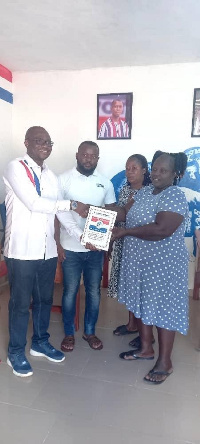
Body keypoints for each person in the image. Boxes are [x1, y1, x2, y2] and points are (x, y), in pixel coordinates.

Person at [3, 126, 89, 377]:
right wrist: (73, 204)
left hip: (47, 250)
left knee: (43, 300)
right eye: (39, 141)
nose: (45, 145)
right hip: (21, 250)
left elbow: (60, 212)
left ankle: (40, 342)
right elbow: (34, 203)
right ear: (27, 142)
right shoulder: (15, 167)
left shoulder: (50, 175)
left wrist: (81, 236)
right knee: (20, 304)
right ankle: (16, 351)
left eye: (48, 142)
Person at [111, 152, 188, 384]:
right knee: (142, 303)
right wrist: (95, 212)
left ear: (176, 174)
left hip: (164, 266)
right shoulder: (143, 191)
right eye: (154, 168)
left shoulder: (174, 195)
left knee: (163, 310)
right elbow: (123, 213)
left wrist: (125, 232)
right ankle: (146, 349)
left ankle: (165, 362)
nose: (156, 173)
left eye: (163, 170)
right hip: (139, 262)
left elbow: (161, 229)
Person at [56, 141, 116, 352]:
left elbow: (111, 213)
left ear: (97, 159)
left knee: (93, 292)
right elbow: (57, 215)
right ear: (77, 155)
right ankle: (69, 333)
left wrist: (105, 243)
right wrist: (58, 244)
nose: (88, 159)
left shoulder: (105, 183)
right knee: (70, 291)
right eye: (85, 155)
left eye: (93, 156)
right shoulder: (63, 179)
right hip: (70, 248)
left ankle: (89, 332)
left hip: (95, 250)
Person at [107, 154, 151, 338]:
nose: (130, 172)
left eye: (134, 168)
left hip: (140, 246)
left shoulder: (150, 192)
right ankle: (132, 324)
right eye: (127, 168)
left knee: (140, 289)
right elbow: (117, 217)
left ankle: (145, 333)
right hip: (123, 243)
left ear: (144, 170)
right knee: (128, 287)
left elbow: (131, 216)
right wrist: (109, 241)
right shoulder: (125, 190)